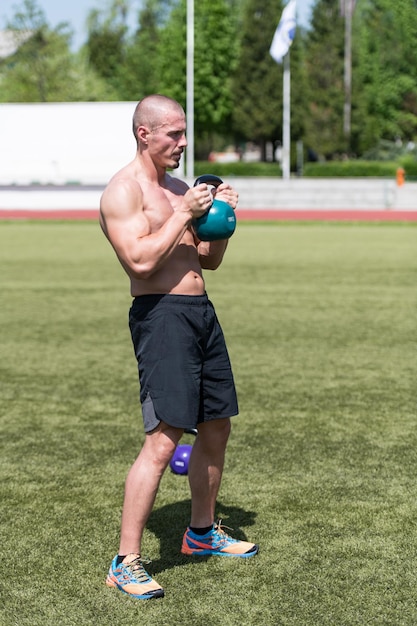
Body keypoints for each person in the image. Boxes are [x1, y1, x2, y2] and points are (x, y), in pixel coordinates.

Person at [99, 94, 258, 601]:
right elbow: (141, 262)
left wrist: (222, 220)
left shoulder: (179, 189)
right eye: (174, 134)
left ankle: (201, 532)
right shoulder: (123, 193)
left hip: (200, 312)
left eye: (185, 134)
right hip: (161, 317)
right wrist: (184, 212)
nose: (183, 144)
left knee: (216, 424)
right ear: (144, 133)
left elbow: (206, 261)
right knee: (165, 438)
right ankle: (126, 561)